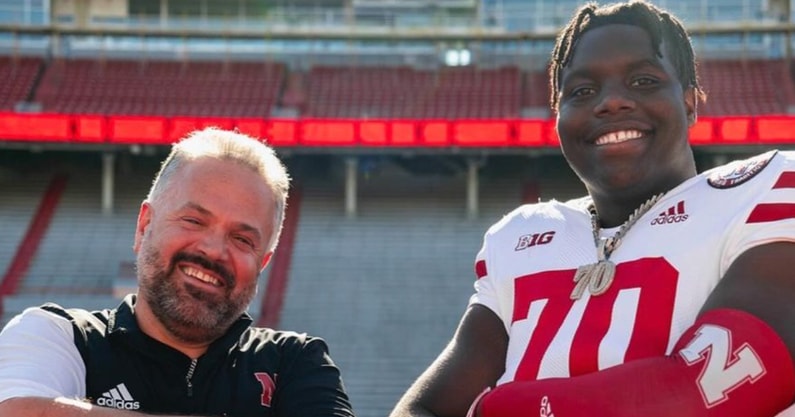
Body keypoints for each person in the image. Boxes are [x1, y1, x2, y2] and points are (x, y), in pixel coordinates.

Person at [389, 1, 795, 416]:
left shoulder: (766, 188)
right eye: (582, 91)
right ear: (558, 117)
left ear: (690, 103)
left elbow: (709, 390)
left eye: (643, 81)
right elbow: (422, 410)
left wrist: (491, 409)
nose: (611, 103)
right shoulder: (518, 237)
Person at [0, 127, 355, 417]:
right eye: (193, 220)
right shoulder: (59, 336)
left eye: (242, 238)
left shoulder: (296, 362)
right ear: (144, 225)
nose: (214, 250)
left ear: (262, 263)